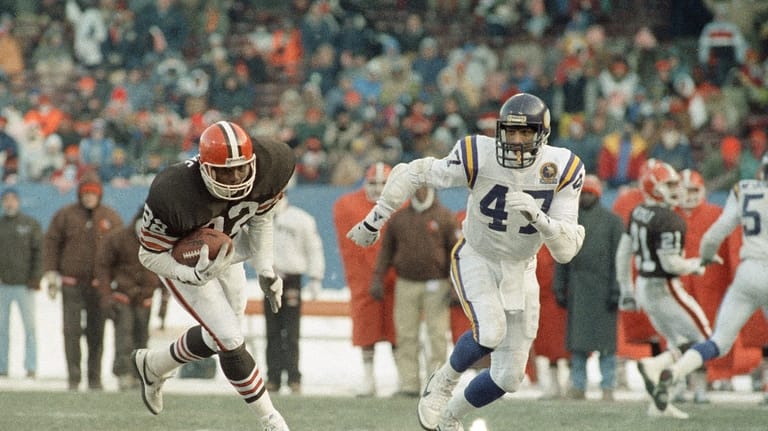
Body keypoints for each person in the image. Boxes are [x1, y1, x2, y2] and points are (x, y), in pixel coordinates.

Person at [347, 93, 586, 430]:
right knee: (490, 332)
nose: (516, 141)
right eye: (510, 132)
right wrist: (376, 218)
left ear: (542, 134)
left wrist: (539, 218)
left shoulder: (562, 167)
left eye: (526, 133)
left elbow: (565, 250)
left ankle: (450, 417)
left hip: (522, 266)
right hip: (478, 255)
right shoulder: (478, 153)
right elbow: (414, 172)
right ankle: (443, 380)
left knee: (509, 377)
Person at [131, 120, 294, 431]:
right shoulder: (173, 191)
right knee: (231, 339)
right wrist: (187, 274)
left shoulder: (273, 162)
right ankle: (272, 421)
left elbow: (261, 218)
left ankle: (153, 365)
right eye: (224, 172)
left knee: (221, 334)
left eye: (240, 170)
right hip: (181, 259)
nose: (234, 178)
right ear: (205, 168)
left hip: (226, 253)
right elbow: (147, 253)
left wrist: (265, 269)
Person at [653, 153, 768, 411]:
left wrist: (705, 258)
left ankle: (677, 371)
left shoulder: (744, 190)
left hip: (748, 273)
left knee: (718, 341)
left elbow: (713, 236)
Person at [615, 161, 714, 419]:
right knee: (707, 338)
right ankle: (659, 367)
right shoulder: (670, 219)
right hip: (666, 285)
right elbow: (671, 263)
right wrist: (697, 265)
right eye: (669, 184)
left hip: (644, 286)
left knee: (678, 342)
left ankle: (659, 405)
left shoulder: (639, 211)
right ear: (653, 186)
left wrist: (626, 287)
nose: (676, 188)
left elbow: (623, 253)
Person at [371, 185, 458, 397]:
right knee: (406, 335)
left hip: (437, 284)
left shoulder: (445, 216)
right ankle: (409, 384)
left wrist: (456, 285)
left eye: (423, 187)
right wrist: (377, 278)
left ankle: (436, 385)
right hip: (406, 282)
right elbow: (386, 252)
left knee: (437, 336)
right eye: (416, 187)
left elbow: (456, 253)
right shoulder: (398, 219)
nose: (419, 191)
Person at [42, 172, 123, 391]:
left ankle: (94, 378)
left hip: (99, 286)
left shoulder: (111, 217)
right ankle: (73, 377)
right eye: (85, 193)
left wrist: (116, 279)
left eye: (92, 194)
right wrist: (50, 273)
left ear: (99, 195)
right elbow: (51, 244)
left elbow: (120, 250)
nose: (89, 197)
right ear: (79, 195)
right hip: (71, 284)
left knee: (97, 332)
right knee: (71, 331)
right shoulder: (65, 215)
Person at [553, 174, 624, 401]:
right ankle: (578, 386)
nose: (585, 198)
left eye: (589, 193)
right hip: (579, 290)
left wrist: (617, 289)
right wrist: (559, 286)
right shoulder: (570, 222)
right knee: (578, 346)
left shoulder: (613, 222)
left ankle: (608, 387)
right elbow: (561, 256)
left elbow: (619, 259)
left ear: (598, 195)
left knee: (606, 347)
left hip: (604, 290)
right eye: (582, 193)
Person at [332, 162, 397, 397]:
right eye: (374, 183)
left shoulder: (403, 203)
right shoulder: (347, 205)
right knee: (366, 330)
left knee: (397, 331)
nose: (378, 188)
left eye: (383, 184)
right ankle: (369, 378)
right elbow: (354, 248)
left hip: (394, 278)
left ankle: (405, 378)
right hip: (364, 279)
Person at [95, 209, 168, 391]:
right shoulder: (118, 238)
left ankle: (138, 375)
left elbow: (167, 272)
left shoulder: (161, 242)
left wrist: (164, 302)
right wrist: (106, 296)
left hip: (146, 298)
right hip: (123, 296)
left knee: (142, 339)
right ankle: (124, 374)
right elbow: (103, 266)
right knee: (124, 337)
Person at [264, 193, 325, 395]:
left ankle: (293, 377)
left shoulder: (301, 219)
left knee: (291, 332)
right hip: (269, 278)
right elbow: (252, 246)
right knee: (272, 331)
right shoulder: (261, 217)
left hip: (292, 278)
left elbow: (314, 248)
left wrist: (316, 277)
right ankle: (273, 377)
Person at [0, 188, 42, 378]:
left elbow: (39, 252)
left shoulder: (30, 224)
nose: (9, 203)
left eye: (12, 199)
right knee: (2, 329)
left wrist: (35, 277)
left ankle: (31, 366)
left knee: (30, 328)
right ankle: (2, 367)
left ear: (18, 201)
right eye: (6, 200)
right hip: (3, 285)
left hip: (25, 285)